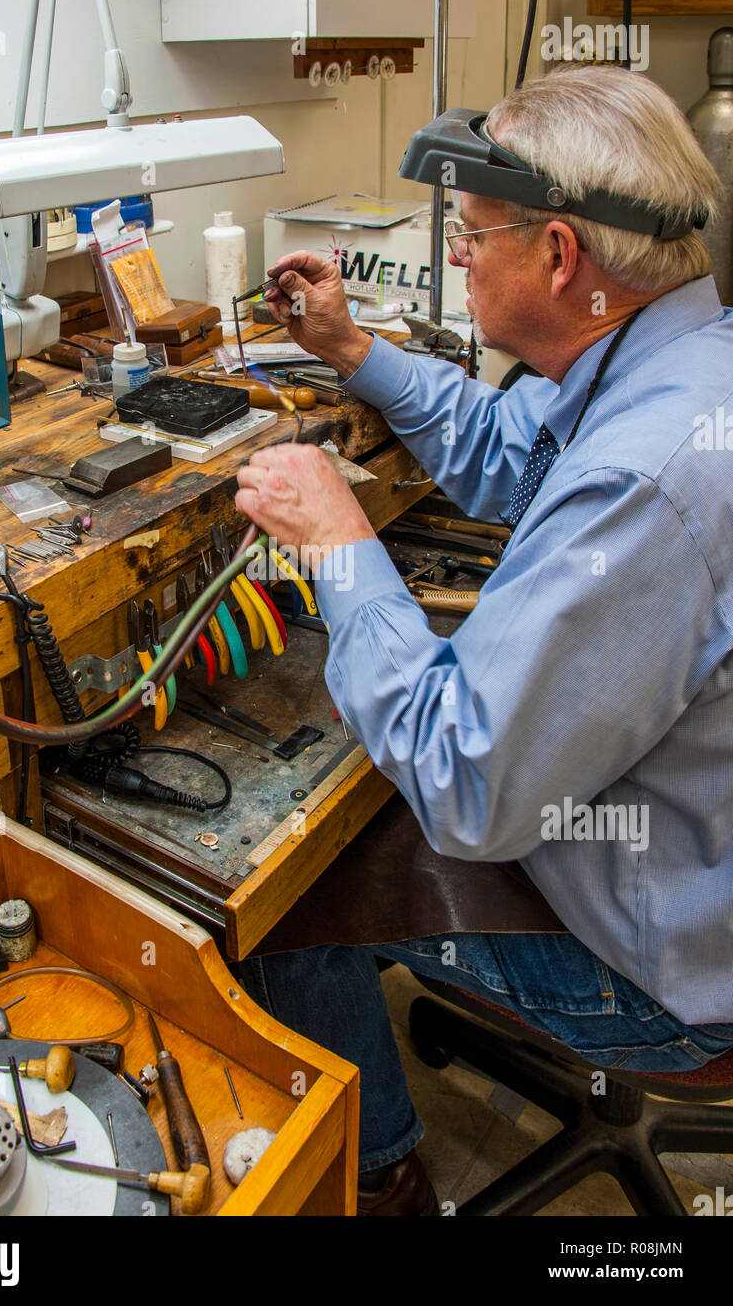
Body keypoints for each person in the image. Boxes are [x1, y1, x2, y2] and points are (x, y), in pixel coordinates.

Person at [233, 66, 733, 1216]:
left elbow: (466, 779)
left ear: (559, 257)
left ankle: (380, 1172)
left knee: (279, 890)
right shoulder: (664, 360)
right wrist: (353, 349)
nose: (456, 256)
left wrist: (337, 536)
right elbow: (513, 450)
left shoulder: (645, 480)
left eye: (471, 233)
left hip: (669, 976)